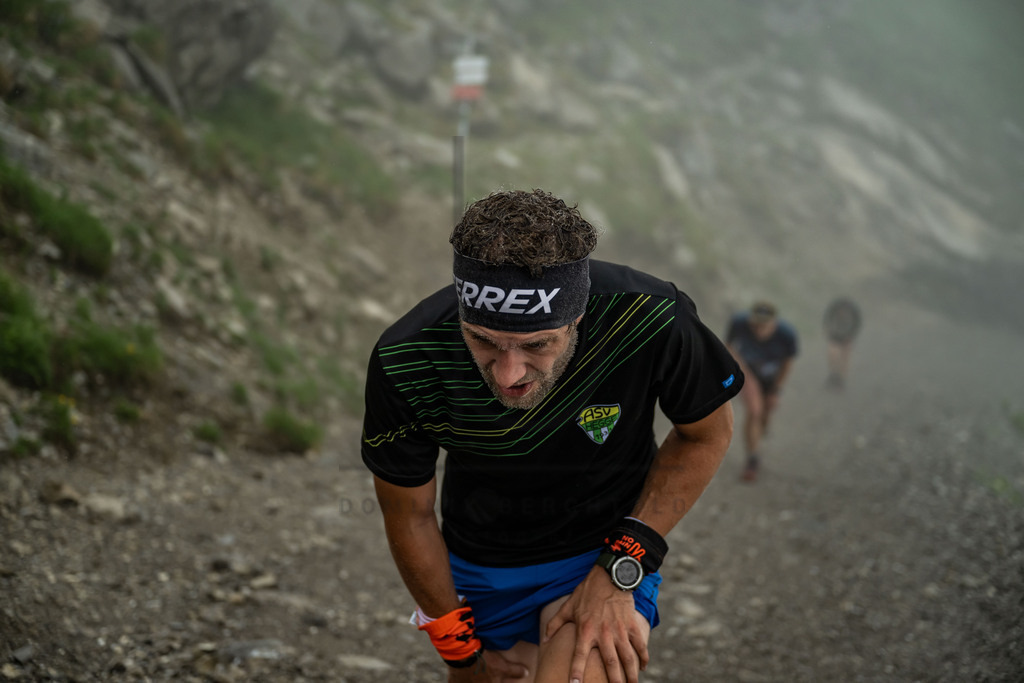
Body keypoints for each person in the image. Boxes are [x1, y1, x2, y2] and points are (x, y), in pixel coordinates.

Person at [361, 189, 743, 682]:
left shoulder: (647, 316)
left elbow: (707, 434)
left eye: (536, 344)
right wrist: (461, 656)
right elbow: (410, 515)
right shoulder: (406, 358)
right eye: (481, 340)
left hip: (599, 548)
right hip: (481, 567)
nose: (507, 374)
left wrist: (622, 566)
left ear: (579, 315)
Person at [725, 301, 798, 482]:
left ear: (774, 323)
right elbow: (727, 346)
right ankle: (752, 459)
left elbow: (787, 364)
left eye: (764, 326)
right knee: (754, 411)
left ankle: (762, 427)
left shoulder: (787, 334)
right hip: (747, 371)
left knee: (765, 411)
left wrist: (776, 390)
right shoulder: (739, 322)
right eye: (755, 325)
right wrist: (744, 373)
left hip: (771, 377)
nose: (758, 330)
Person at [822, 296, 861, 391]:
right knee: (832, 355)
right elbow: (827, 319)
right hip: (835, 335)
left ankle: (841, 378)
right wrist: (829, 331)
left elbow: (857, 324)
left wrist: (851, 336)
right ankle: (833, 374)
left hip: (847, 337)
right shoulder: (835, 307)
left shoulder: (852, 310)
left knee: (845, 358)